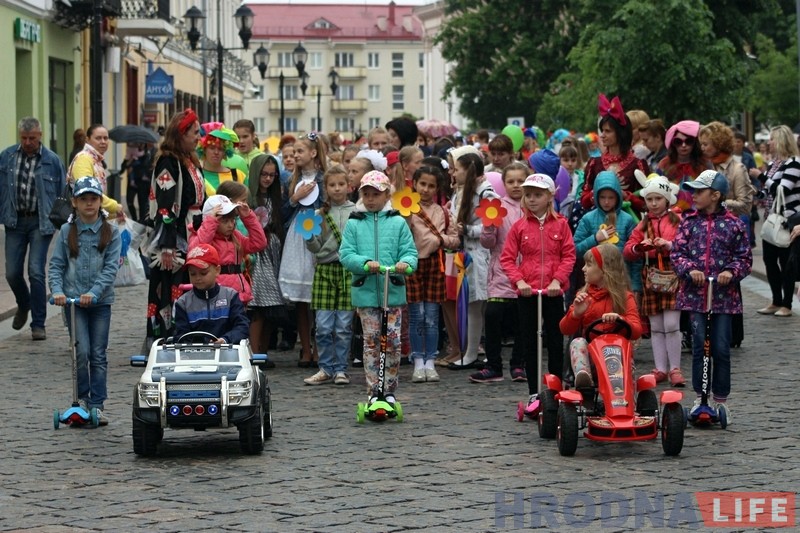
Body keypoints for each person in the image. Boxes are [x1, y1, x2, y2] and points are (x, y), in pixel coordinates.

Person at [671, 170, 752, 422]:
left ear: (715, 195)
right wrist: (689, 269)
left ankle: (720, 399)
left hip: (723, 298)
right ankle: (700, 396)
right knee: (699, 347)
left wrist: (731, 271)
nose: (693, 196)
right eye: (692, 191)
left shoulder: (733, 224)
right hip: (696, 296)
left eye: (699, 191)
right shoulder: (688, 222)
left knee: (719, 346)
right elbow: (677, 253)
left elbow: (744, 258)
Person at [339, 170, 418, 406]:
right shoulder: (354, 223)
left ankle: (390, 388)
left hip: (391, 290)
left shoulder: (397, 223)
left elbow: (409, 251)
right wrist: (363, 264)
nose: (371, 199)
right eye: (367, 194)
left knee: (392, 341)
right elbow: (346, 254)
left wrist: (406, 264)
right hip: (365, 292)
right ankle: (374, 388)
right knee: (372, 341)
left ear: (386, 196)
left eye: (376, 194)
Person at [48, 176, 122, 425]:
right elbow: (57, 265)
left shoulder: (111, 232)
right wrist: (57, 291)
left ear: (100, 201)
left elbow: (111, 269)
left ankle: (97, 404)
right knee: (80, 351)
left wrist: (95, 292)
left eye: (93, 199)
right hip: (73, 304)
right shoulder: (67, 231)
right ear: (75, 203)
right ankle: (80, 399)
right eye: (83, 199)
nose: (89, 203)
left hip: (100, 304)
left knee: (98, 353)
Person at [500, 174, 575, 408]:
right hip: (528, 293)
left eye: (538, 195)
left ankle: (555, 388)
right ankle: (534, 391)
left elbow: (568, 256)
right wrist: (519, 282)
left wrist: (557, 280)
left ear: (549, 197)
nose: (532, 199)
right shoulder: (519, 226)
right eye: (529, 195)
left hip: (553, 293)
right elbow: (508, 258)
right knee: (530, 341)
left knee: (555, 340)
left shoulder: (561, 224)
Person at [468, 163, 537, 384]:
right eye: (511, 181)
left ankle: (519, 364)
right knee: (493, 315)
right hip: (501, 271)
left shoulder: (534, 208)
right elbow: (488, 243)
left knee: (523, 320)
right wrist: (488, 227)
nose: (516, 185)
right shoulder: (497, 207)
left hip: (528, 273)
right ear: (503, 184)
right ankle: (493, 366)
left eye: (520, 181)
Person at [0, 117, 67, 340]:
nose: (28, 142)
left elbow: (61, 192)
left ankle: (38, 324)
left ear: (40, 136)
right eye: (24, 138)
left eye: (32, 138)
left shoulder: (52, 161)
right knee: (12, 273)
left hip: (41, 222)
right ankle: (24, 303)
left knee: (36, 271)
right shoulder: (7, 157)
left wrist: (61, 219)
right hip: (14, 221)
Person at [145, 108, 204, 344]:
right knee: (172, 287)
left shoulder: (190, 160)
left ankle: (190, 335)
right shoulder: (169, 162)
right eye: (195, 132)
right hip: (176, 236)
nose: (199, 137)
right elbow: (165, 205)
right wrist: (167, 245)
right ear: (181, 134)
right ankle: (168, 340)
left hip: (194, 232)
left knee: (189, 284)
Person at [623, 174, 685, 386]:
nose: (654, 203)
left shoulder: (677, 220)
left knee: (671, 323)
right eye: (650, 199)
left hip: (672, 273)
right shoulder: (642, 224)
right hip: (651, 275)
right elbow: (628, 249)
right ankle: (660, 368)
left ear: (667, 199)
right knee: (656, 325)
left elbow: (687, 246)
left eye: (658, 198)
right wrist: (639, 248)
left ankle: (675, 367)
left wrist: (668, 245)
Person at [405, 165, 460, 383]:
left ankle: (430, 361)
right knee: (417, 316)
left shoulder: (443, 212)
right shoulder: (406, 208)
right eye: (422, 184)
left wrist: (442, 240)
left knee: (432, 317)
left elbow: (455, 239)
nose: (426, 189)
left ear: (437, 188)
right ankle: (418, 361)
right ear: (415, 184)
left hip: (435, 265)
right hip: (413, 265)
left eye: (431, 186)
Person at [560, 245, 643, 388]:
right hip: (592, 358)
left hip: (618, 358)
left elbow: (636, 330)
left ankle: (627, 402)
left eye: (589, 265)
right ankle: (584, 382)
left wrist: (620, 319)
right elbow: (564, 329)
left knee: (625, 357)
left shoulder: (625, 297)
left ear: (605, 269)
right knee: (578, 342)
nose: (583, 269)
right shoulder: (583, 297)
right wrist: (576, 314)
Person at [303, 166, 357, 386]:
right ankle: (325, 368)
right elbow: (315, 248)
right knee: (324, 325)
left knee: (344, 327)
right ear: (325, 188)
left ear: (349, 186)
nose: (337, 189)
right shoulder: (318, 214)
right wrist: (308, 236)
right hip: (325, 270)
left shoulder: (357, 211)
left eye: (341, 184)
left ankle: (341, 369)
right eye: (332, 185)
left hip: (347, 270)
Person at [279, 132, 327, 367]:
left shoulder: (324, 180)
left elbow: (330, 207)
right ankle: (305, 348)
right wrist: (294, 198)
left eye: (300, 151)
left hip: (318, 237)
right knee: (301, 299)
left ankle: (319, 347)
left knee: (318, 295)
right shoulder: (289, 180)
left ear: (313, 153)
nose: (295, 155)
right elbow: (283, 214)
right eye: (294, 152)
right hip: (297, 237)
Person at [447, 152, 498, 369]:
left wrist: (467, 229)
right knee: (472, 306)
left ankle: (475, 353)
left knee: (479, 306)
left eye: (457, 168)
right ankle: (470, 351)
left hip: (481, 255)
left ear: (468, 170)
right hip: (465, 254)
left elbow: (492, 226)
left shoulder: (487, 194)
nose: (453, 172)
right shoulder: (460, 194)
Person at [190, 193, 266, 306]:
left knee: (241, 323)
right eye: (225, 221)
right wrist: (210, 222)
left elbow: (259, 243)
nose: (231, 225)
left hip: (238, 294)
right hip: (215, 295)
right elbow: (196, 251)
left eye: (232, 220)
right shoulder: (201, 236)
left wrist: (248, 217)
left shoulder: (235, 236)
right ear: (212, 219)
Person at [755, 126, 800, 317]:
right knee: (769, 260)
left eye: (772, 139)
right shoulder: (775, 163)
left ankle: (787, 304)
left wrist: (761, 177)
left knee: (786, 262)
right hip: (772, 219)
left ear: (781, 141)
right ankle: (776, 300)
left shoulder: (794, 163)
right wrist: (758, 193)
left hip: (789, 220)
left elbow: (783, 189)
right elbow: (770, 191)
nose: (768, 143)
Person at [578, 94, 648, 215]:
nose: (602, 135)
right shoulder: (594, 163)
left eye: (608, 131)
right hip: (599, 226)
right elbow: (583, 201)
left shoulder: (638, 164)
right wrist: (596, 194)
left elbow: (647, 203)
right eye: (602, 131)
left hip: (629, 227)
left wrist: (627, 196)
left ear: (621, 133)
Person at [247, 153, 287, 357]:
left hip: (273, 251)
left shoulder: (275, 197)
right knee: (258, 304)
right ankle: (254, 351)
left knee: (272, 305)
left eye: (272, 175)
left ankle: (262, 350)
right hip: (256, 254)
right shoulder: (248, 197)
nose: (267, 179)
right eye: (263, 174)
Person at [174, 243, 250, 344]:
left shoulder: (231, 296)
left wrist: (225, 340)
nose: (198, 278)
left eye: (203, 273)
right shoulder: (182, 303)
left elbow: (243, 327)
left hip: (228, 354)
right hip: (194, 356)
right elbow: (180, 336)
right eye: (192, 274)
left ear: (217, 270)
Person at [698, 121, 754, 220]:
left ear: (718, 145)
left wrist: (718, 203)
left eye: (705, 144)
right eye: (701, 144)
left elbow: (745, 206)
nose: (702, 148)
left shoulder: (738, 169)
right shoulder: (703, 166)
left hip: (728, 227)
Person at [68, 124, 124, 218]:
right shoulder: (84, 159)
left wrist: (112, 215)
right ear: (87, 139)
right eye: (98, 138)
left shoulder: (95, 159)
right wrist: (114, 207)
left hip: (92, 218)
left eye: (106, 138)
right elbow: (87, 190)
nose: (103, 141)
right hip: (83, 220)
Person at [197, 124, 247, 197]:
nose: (216, 152)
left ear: (225, 152)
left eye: (220, 149)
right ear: (204, 150)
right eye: (212, 148)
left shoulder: (238, 175)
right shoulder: (197, 175)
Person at [122, 142, 155, 222]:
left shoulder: (148, 154)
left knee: (142, 204)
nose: (140, 144)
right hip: (131, 182)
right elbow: (123, 167)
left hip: (143, 183)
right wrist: (130, 161)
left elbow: (148, 168)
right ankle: (134, 219)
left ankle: (141, 221)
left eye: (142, 143)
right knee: (129, 202)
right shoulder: (132, 153)